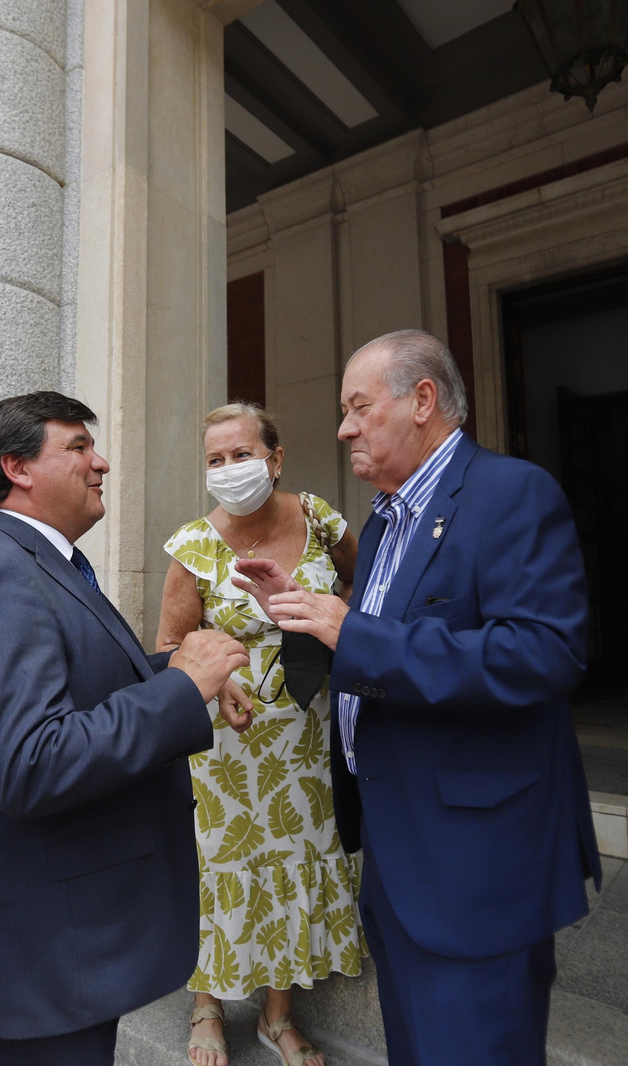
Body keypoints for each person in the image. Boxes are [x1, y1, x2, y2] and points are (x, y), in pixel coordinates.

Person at [237, 330, 599, 1066]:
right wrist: (306, 616)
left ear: (423, 400)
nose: (344, 429)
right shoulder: (383, 519)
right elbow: (378, 648)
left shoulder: (511, 493)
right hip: (398, 852)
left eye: (359, 408)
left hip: (475, 865)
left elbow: (544, 655)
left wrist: (352, 631)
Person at [0, 391, 251, 1066]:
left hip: (61, 953)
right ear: (17, 468)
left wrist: (179, 669)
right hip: (31, 968)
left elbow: (80, 685)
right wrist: (182, 689)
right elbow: (32, 761)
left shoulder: (42, 563)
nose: (101, 463)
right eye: (77, 447)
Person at [157, 402, 363, 1066]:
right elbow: (168, 646)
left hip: (307, 733)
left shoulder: (319, 518)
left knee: (296, 860)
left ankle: (278, 1016)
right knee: (223, 864)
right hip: (226, 741)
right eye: (215, 460)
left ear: (275, 460)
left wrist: (335, 623)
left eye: (241, 455)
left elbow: (366, 583)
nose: (228, 469)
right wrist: (214, 680)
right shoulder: (193, 546)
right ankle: (208, 1005)